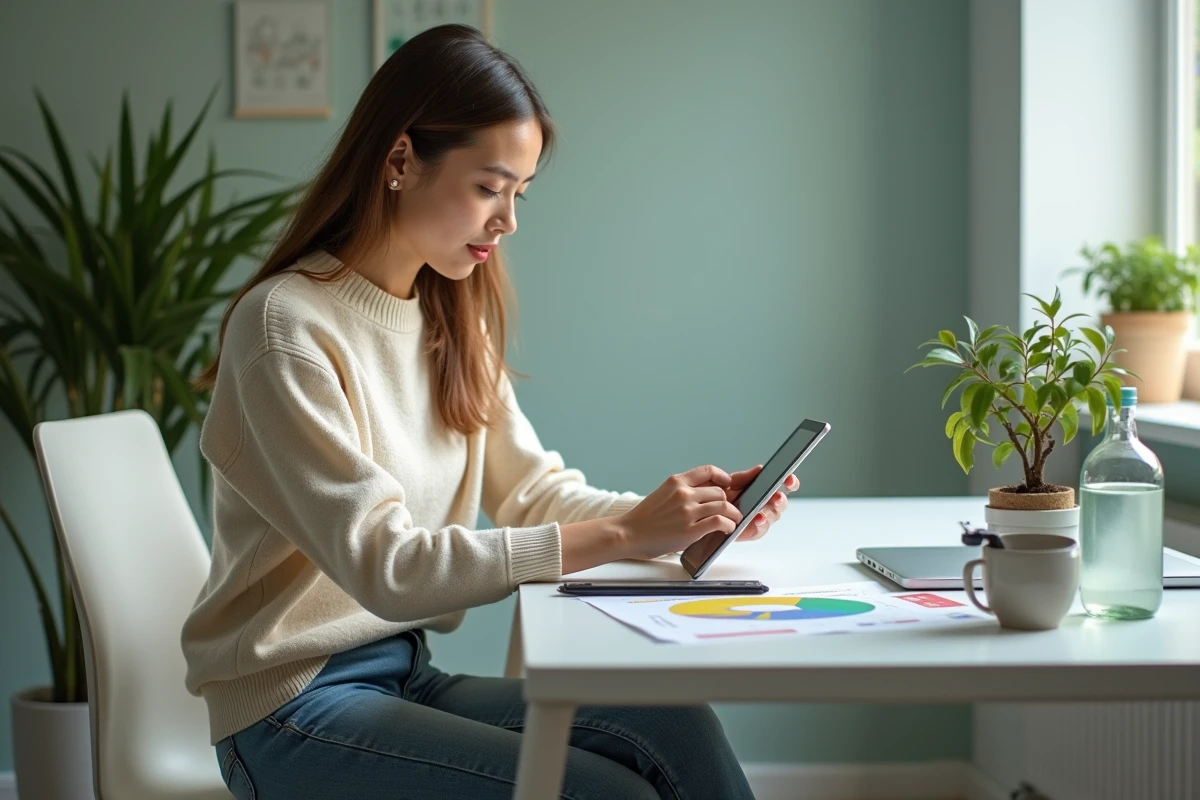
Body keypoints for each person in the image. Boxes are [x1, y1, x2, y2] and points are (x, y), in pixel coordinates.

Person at [182, 23, 799, 800]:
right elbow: (388, 567)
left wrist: (684, 518)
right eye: (489, 187)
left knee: (675, 723)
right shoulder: (285, 328)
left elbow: (535, 493)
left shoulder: (447, 321)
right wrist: (623, 534)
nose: (507, 221)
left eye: (519, 194)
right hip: (291, 709)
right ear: (401, 159)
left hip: (402, 675)